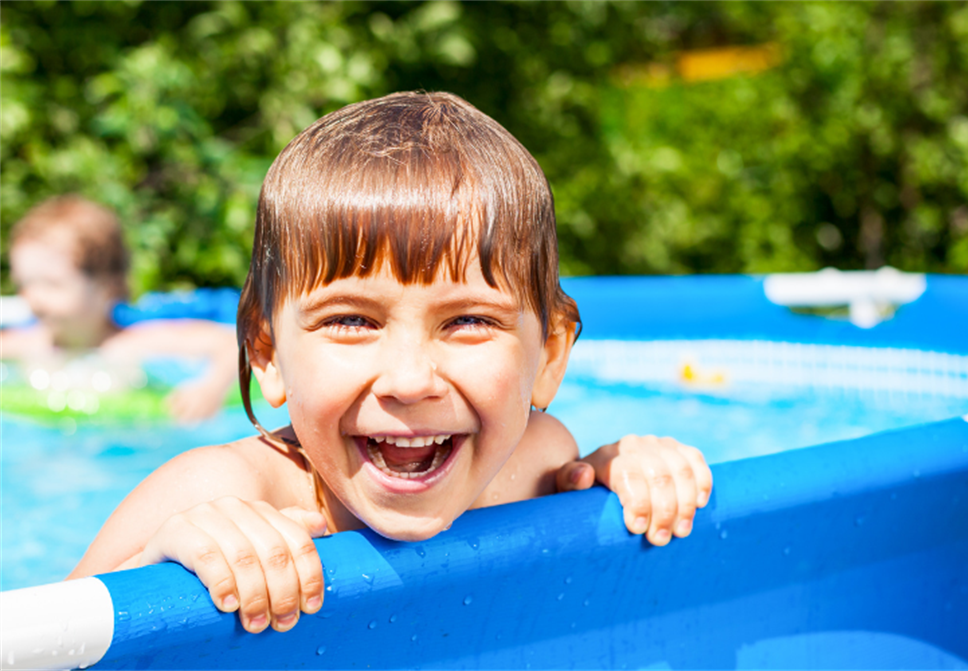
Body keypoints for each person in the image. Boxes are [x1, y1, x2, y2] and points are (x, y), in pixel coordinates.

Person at [69, 92, 713, 635]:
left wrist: (619, 472)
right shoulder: (214, 493)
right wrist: (151, 572)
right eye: (351, 321)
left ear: (549, 358)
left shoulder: (540, 462)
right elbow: (36, 643)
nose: (410, 381)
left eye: (469, 321)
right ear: (266, 355)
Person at [2, 196, 238, 422]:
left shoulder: (135, 342)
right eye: (24, 283)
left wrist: (211, 388)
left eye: (51, 284)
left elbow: (232, 343)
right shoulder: (27, 344)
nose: (32, 297)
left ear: (107, 286)